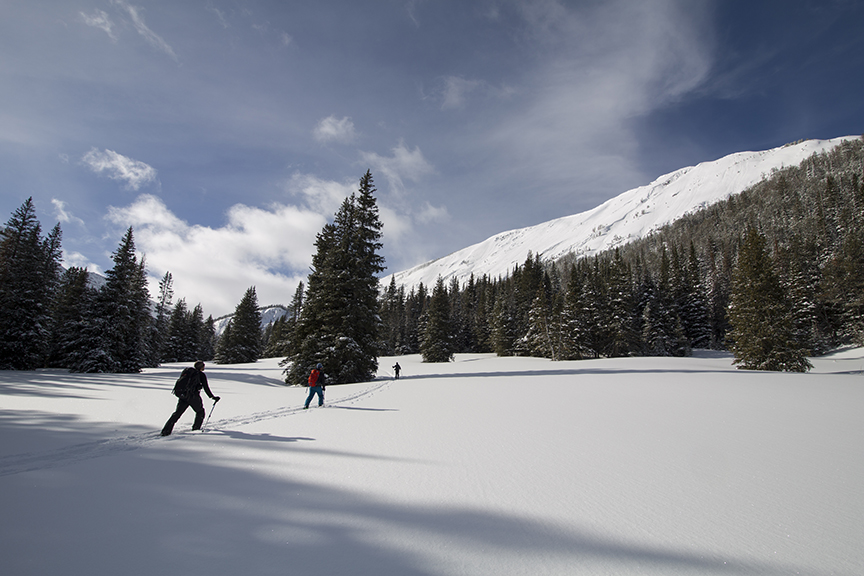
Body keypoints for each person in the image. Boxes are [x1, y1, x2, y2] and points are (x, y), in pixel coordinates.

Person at [161, 361, 220, 436]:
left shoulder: (187, 371)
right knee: (200, 412)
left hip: (183, 395)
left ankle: (166, 431)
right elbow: (206, 387)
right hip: (193, 396)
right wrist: (212, 397)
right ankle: (196, 429)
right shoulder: (201, 375)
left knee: (177, 413)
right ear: (201, 367)